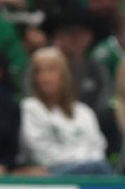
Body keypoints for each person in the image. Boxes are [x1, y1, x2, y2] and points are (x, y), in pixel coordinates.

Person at [20, 46, 110, 175]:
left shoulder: (84, 111)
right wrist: (81, 159)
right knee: (99, 168)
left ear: (64, 74)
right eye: (39, 72)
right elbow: (40, 152)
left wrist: (83, 161)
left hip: (89, 169)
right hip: (51, 172)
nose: (45, 78)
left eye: (51, 70)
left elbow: (98, 147)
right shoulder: (30, 108)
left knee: (100, 167)